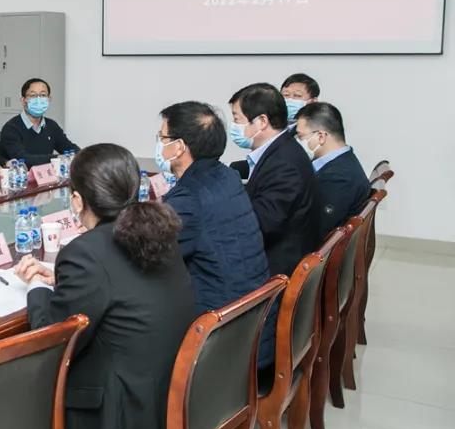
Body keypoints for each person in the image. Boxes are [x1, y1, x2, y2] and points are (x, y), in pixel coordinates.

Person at [16, 144, 194, 429]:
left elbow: (52, 339)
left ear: (78, 200)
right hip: (167, 409)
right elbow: (122, 287)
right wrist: (63, 281)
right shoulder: (160, 234)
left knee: (17, 395)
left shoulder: (85, 252)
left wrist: (34, 289)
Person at [156, 101, 273, 366]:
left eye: (162, 138)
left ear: (179, 147)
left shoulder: (189, 197)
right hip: (252, 323)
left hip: (220, 340)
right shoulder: (226, 176)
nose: (160, 145)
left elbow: (149, 255)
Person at [228, 83, 319, 279]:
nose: (234, 126)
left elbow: (260, 225)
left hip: (276, 268)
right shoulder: (281, 150)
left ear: (262, 121)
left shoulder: (284, 165)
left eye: (237, 119)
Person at [296, 102, 371, 236]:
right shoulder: (343, 161)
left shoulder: (338, 178)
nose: (297, 141)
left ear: (321, 136)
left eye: (300, 136)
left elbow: (315, 229)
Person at [0, 78, 79, 165]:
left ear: (49, 99)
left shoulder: (51, 125)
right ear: (23, 100)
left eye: (43, 95)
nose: (38, 100)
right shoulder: (11, 128)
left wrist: (81, 155)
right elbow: (23, 159)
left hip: (46, 173)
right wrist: (58, 158)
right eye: (33, 95)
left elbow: (70, 148)